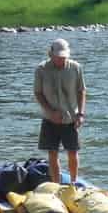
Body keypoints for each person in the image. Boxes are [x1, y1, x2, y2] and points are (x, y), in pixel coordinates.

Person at [33, 38, 86, 185]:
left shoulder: (76, 68)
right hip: (50, 119)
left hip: (71, 118)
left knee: (73, 152)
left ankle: (73, 183)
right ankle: (56, 185)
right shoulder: (41, 69)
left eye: (64, 57)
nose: (61, 60)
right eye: (58, 57)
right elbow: (38, 93)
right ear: (51, 54)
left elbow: (81, 91)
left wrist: (81, 114)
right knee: (52, 153)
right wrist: (50, 112)